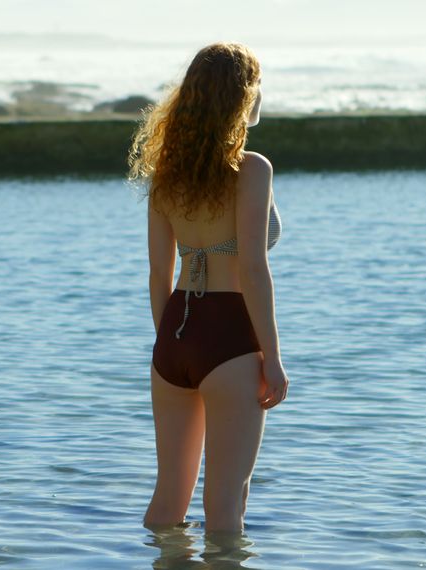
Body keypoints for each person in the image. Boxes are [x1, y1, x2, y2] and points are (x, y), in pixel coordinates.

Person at [127, 41, 290, 533]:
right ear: (242, 98)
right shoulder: (251, 169)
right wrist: (273, 357)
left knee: (168, 500)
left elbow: (158, 273)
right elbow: (253, 269)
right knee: (225, 506)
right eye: (257, 86)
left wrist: (173, 339)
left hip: (174, 337)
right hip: (230, 338)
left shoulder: (167, 174)